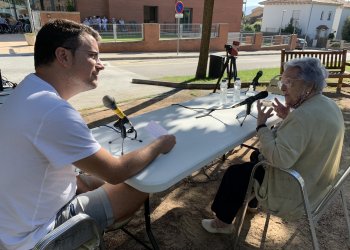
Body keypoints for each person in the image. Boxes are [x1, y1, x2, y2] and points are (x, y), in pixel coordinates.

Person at [0, 19, 176, 249]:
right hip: (35, 236)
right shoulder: (53, 110)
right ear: (63, 56)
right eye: (93, 55)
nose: (100, 64)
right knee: (144, 182)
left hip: (12, 225)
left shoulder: (26, 90)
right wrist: (160, 143)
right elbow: (116, 172)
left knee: (92, 178)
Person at [201, 57, 344, 234]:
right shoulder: (329, 105)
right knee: (255, 158)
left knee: (235, 173)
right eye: (282, 81)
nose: (283, 88)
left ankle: (222, 223)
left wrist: (262, 126)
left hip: (296, 190)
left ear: (309, 86)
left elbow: (278, 159)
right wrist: (288, 117)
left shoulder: (303, 117)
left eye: (289, 82)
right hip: (315, 179)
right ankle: (252, 202)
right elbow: (310, 133)